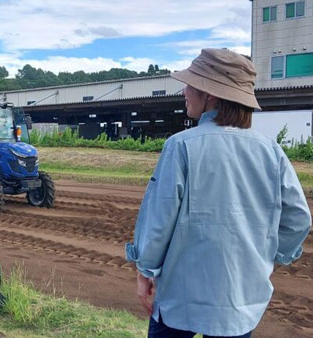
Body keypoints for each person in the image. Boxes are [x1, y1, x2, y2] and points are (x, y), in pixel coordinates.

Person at [125, 48, 311, 338]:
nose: (184, 91)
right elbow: (298, 218)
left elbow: (159, 221)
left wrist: (145, 270)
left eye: (190, 84)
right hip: (239, 303)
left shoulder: (181, 146)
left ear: (209, 94)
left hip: (180, 299)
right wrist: (267, 254)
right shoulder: (272, 152)